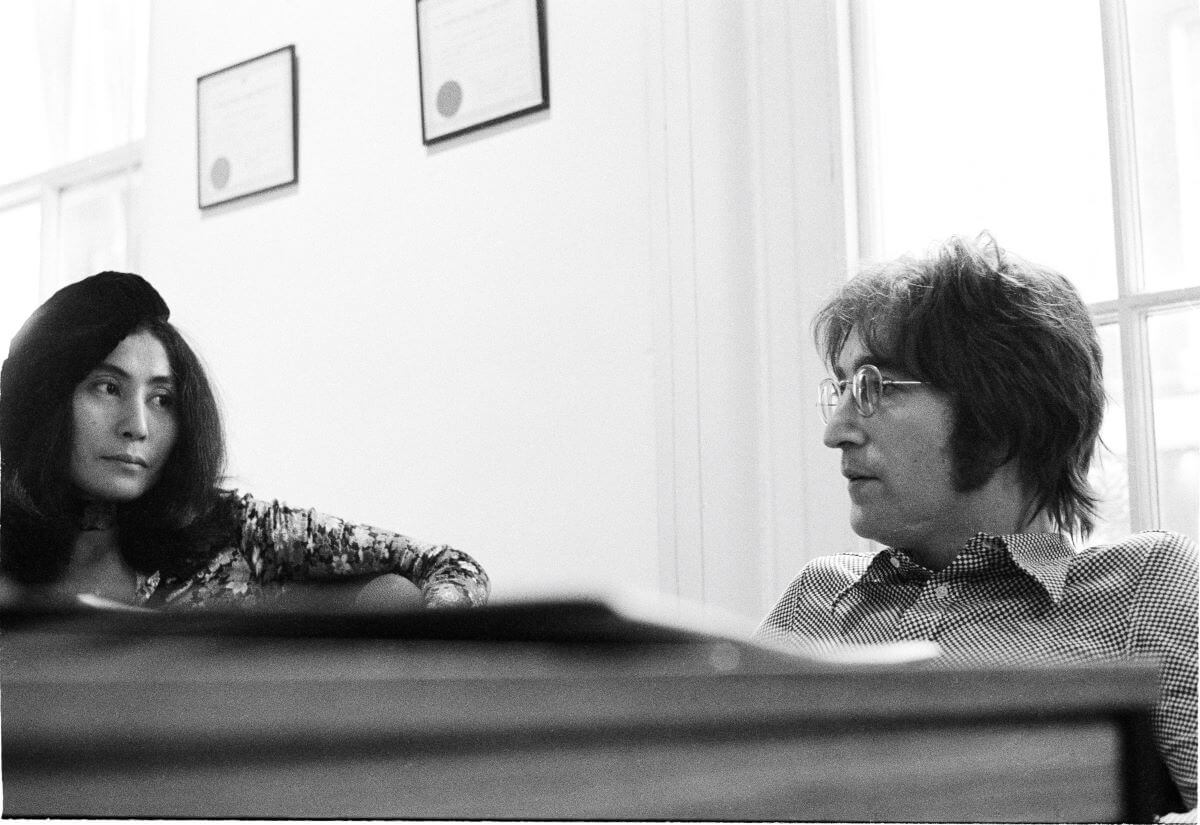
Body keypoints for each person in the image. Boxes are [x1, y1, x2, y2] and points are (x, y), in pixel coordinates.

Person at [756, 235, 1197, 816]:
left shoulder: (1145, 587)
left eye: (872, 388)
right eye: (840, 389)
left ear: (1000, 417)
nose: (835, 429)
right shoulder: (818, 598)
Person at [0, 271, 489, 611]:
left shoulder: (237, 528)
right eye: (107, 388)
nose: (138, 425)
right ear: (46, 400)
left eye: (162, 398)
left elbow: (448, 566)